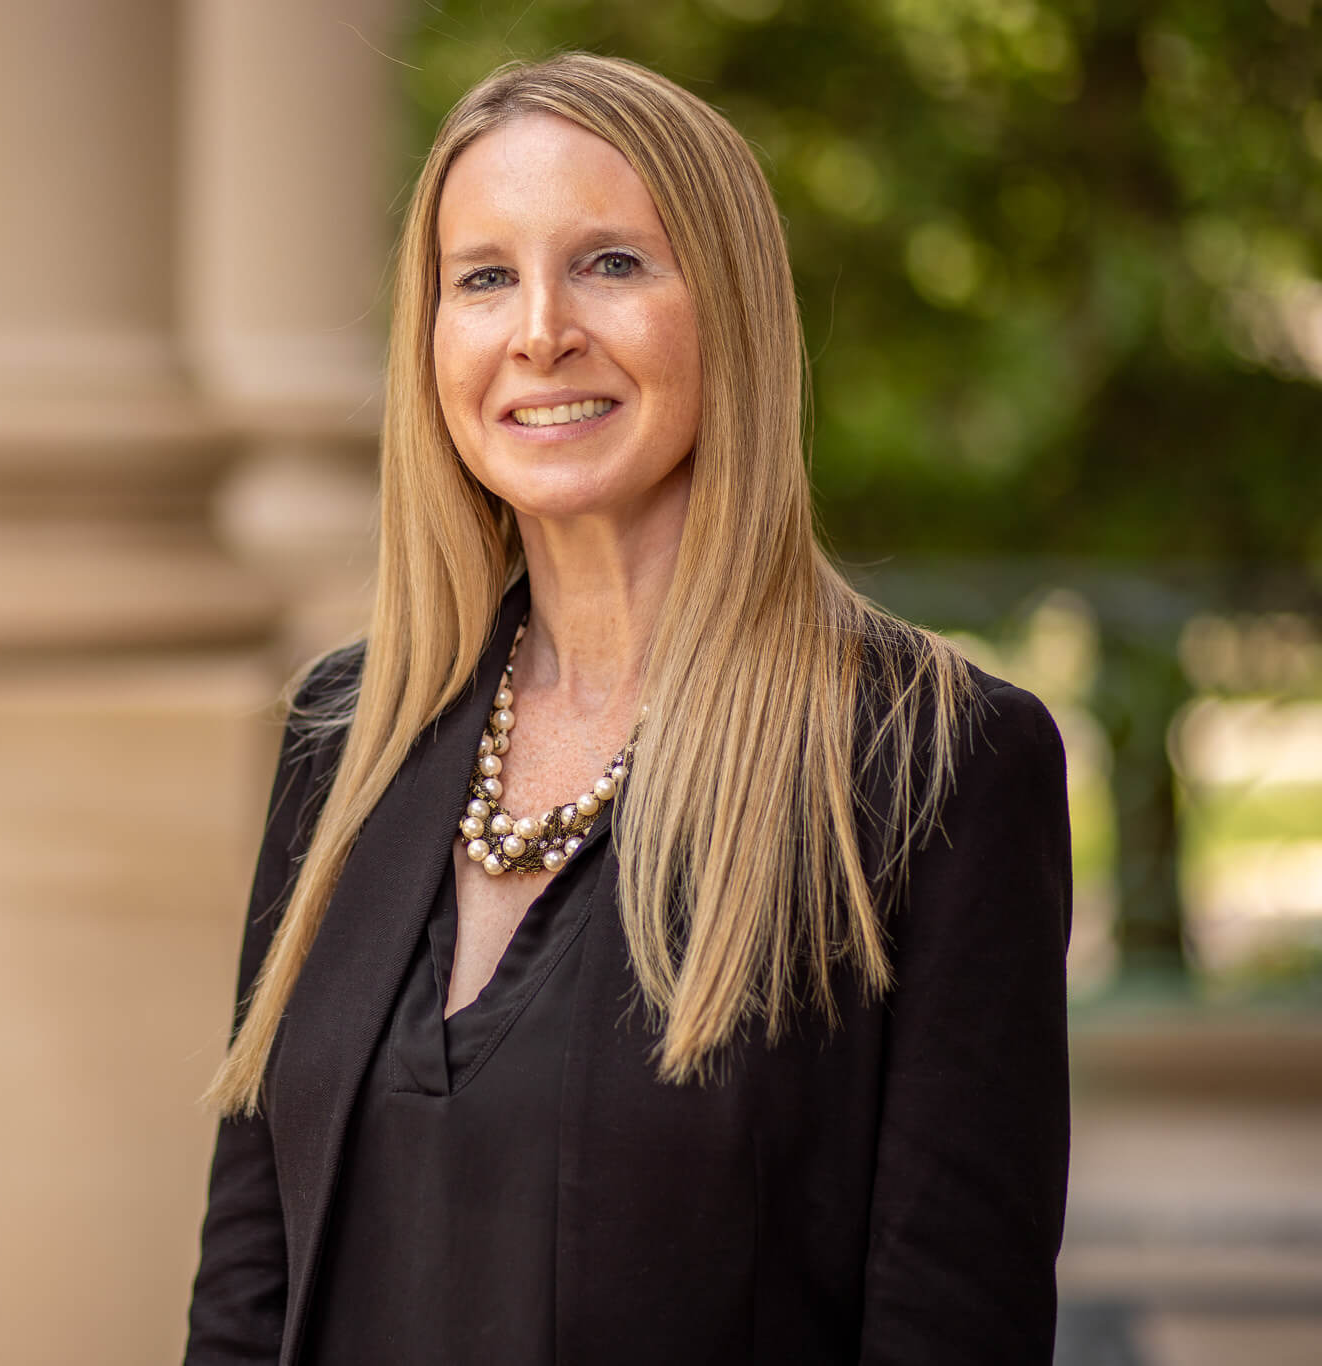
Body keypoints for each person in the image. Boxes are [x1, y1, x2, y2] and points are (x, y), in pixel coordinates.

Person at [184, 52, 1071, 1366]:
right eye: (483, 277)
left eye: (610, 263)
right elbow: (246, 1285)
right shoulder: (348, 731)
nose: (539, 329)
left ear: (730, 314)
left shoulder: (936, 767)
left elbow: (952, 1329)